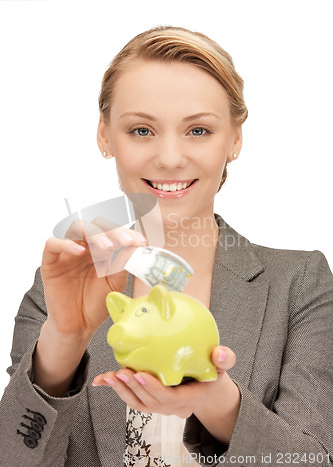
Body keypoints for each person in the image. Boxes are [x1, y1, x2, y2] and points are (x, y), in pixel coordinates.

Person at [0, 26, 332, 467]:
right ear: (104, 135)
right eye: (141, 130)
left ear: (234, 138)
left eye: (198, 130)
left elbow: (312, 459)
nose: (171, 157)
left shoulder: (300, 284)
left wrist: (218, 403)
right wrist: (63, 341)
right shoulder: (59, 287)